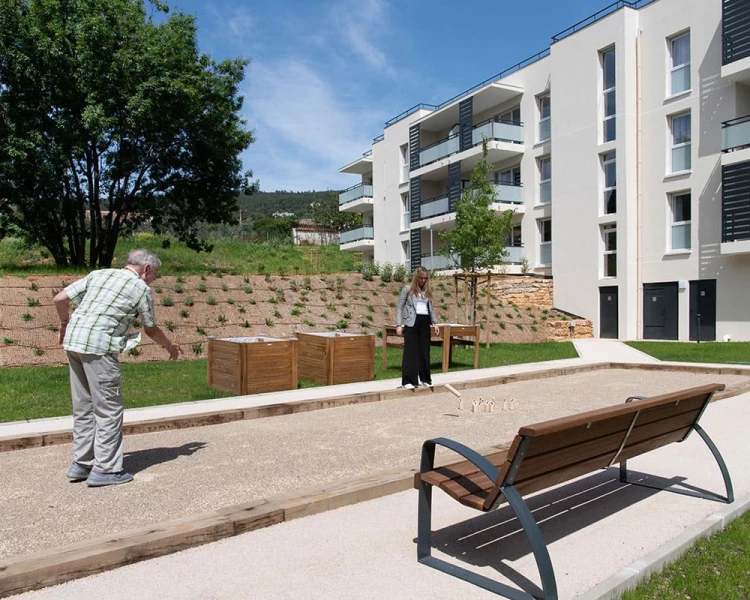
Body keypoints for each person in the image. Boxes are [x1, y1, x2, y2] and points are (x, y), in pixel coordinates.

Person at [53, 249, 181, 487]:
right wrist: (170, 346)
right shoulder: (141, 289)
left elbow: (60, 298)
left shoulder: (98, 274)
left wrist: (64, 323)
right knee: (108, 408)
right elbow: (150, 329)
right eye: (155, 274)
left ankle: (82, 464)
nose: (154, 279)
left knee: (84, 406)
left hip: (74, 343)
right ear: (146, 269)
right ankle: (107, 470)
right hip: (100, 348)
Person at [395, 266, 440, 389]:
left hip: (425, 321)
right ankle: (408, 380)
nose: (423, 281)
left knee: (424, 351)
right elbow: (399, 307)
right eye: (421, 278)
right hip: (411, 322)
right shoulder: (407, 289)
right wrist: (399, 324)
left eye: (425, 278)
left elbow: (430, 308)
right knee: (411, 352)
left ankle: (426, 379)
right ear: (416, 277)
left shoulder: (427, 290)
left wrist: (435, 323)